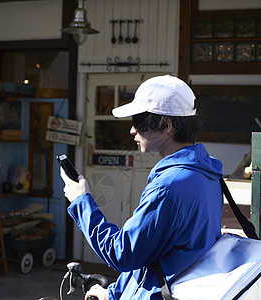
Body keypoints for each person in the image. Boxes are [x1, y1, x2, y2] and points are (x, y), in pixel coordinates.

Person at [60, 75, 224, 300]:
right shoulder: (206, 173)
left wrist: (81, 201)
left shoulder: (169, 186)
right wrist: (115, 293)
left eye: (139, 121)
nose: (132, 130)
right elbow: (154, 253)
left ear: (166, 126)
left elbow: (123, 254)